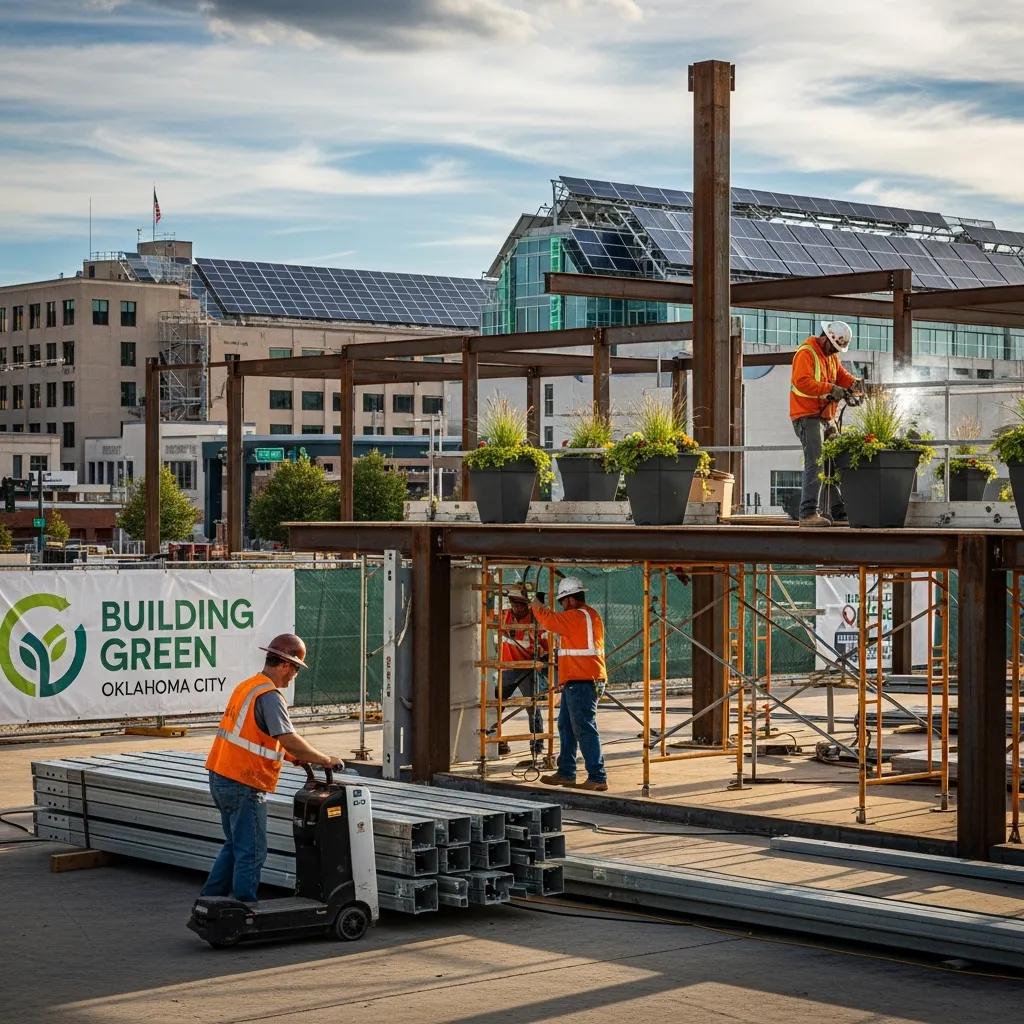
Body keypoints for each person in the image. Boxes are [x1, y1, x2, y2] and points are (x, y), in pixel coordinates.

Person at [200, 633, 346, 905]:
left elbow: (259, 735)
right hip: (243, 782)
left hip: (221, 776)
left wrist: (292, 758)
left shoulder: (248, 686)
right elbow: (288, 738)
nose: (294, 676)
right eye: (296, 670)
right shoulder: (270, 696)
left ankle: (210, 901)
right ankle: (245, 909)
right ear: (286, 665)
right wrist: (324, 760)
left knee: (234, 846)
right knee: (252, 851)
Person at [528, 577, 608, 792]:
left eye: (563, 601)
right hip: (579, 680)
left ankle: (597, 776)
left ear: (571, 599)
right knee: (566, 726)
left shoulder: (576, 616)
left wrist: (536, 604)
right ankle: (566, 772)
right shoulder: (589, 615)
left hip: (582, 681)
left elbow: (549, 620)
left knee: (584, 728)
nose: (562, 606)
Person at [790, 320, 862, 527]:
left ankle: (839, 510)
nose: (835, 352)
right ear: (825, 338)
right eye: (834, 346)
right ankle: (808, 513)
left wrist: (855, 384)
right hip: (806, 416)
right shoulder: (807, 353)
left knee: (834, 461)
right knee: (816, 461)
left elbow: (840, 375)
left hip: (823, 417)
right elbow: (802, 382)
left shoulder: (829, 356)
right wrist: (831, 389)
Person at [492, 593, 547, 759]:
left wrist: (543, 659)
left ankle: (537, 745)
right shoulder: (504, 615)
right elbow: (487, 613)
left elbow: (546, 645)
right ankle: (496, 740)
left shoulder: (535, 621)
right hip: (507, 668)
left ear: (527, 605)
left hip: (526, 668)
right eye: (514, 604)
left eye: (520, 605)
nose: (517, 608)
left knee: (533, 707)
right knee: (495, 704)